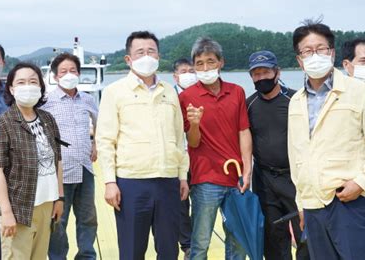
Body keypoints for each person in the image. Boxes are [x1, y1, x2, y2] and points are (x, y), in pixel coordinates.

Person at [288, 20, 365, 260]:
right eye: (307, 51)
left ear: (332, 53)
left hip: (351, 201)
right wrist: (301, 202)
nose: (314, 55)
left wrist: (361, 182)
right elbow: (297, 156)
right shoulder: (295, 101)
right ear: (299, 60)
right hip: (313, 205)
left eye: (321, 49)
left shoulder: (360, 92)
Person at [96, 31, 189, 260]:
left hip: (168, 181)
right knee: (131, 250)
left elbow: (179, 138)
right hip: (131, 183)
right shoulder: (114, 92)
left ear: (158, 55)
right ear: (128, 59)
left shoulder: (168, 91)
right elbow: (106, 140)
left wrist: (182, 175)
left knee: (169, 250)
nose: (146, 56)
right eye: (140, 52)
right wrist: (109, 181)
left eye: (151, 51)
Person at [178, 37, 252, 260]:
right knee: (200, 241)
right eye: (199, 63)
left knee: (238, 240)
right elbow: (192, 142)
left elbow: (244, 131)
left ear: (221, 62)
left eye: (210, 61)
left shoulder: (237, 91)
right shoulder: (186, 97)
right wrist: (195, 124)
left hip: (237, 177)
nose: (205, 68)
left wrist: (247, 169)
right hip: (205, 179)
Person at [0, 62, 64, 259]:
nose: (27, 86)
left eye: (33, 81)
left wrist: (59, 198)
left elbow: (58, 161)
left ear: (41, 87)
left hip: (46, 203)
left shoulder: (48, 119)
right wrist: (6, 212)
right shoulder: (1, 125)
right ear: (11, 88)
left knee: (39, 256)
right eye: (21, 82)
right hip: (18, 208)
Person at [246, 50, 309, 260]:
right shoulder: (249, 105)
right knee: (273, 236)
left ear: (277, 72)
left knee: (305, 234)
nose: (261, 77)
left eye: (266, 72)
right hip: (264, 178)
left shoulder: (297, 100)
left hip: (295, 177)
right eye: (256, 74)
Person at [42, 53, 99, 260]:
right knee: (58, 220)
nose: (69, 75)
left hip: (85, 167)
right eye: (64, 71)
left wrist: (95, 144)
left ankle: (86, 256)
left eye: (73, 70)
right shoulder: (46, 101)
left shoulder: (88, 100)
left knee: (88, 218)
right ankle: (58, 257)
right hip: (60, 171)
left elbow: (101, 124)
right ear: (55, 77)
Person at [172, 58, 197, 259]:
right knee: (181, 203)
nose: (188, 74)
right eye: (183, 71)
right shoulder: (169, 97)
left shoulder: (200, 95)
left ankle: (197, 240)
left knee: (201, 202)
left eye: (191, 70)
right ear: (176, 76)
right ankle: (187, 245)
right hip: (179, 159)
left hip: (199, 158)